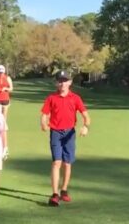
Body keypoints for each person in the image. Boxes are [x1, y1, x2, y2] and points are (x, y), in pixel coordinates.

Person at [40, 70, 91, 207]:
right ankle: (55, 194)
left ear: (70, 82)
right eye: (60, 80)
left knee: (67, 163)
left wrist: (86, 127)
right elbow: (44, 114)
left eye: (65, 80)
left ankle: (64, 190)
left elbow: (86, 116)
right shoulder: (51, 98)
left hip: (69, 133)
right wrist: (44, 123)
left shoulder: (75, 98)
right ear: (57, 83)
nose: (62, 83)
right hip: (55, 132)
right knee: (57, 162)